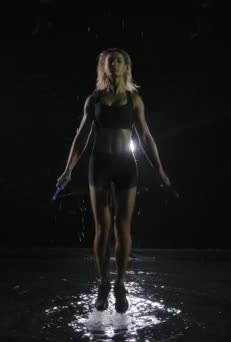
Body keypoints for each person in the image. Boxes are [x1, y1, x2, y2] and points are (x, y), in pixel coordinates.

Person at [56, 48, 171, 313]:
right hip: (100, 165)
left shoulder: (134, 99)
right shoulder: (94, 99)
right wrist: (68, 170)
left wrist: (160, 168)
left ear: (126, 66)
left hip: (125, 166)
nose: (114, 64)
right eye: (110, 61)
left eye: (119, 60)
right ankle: (103, 283)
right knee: (102, 228)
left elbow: (146, 137)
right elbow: (81, 138)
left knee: (123, 227)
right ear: (104, 68)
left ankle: (119, 284)